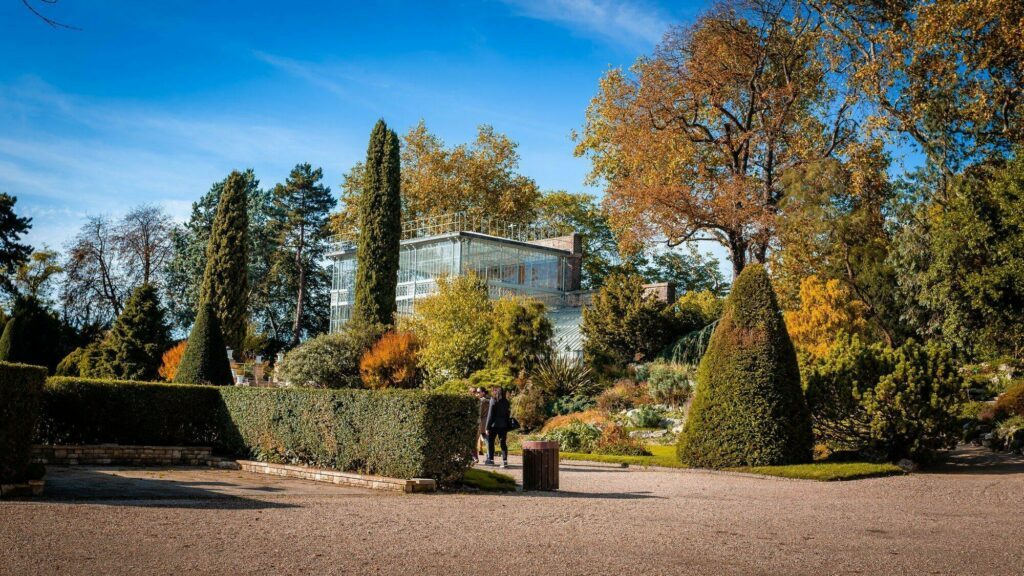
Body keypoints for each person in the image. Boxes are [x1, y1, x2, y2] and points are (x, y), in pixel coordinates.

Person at [484, 386, 512, 468]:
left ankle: (491, 460)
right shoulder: (506, 402)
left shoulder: (493, 400)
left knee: (491, 442)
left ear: (496, 392)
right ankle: (505, 461)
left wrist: (487, 427)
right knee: (503, 443)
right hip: (503, 425)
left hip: (494, 425)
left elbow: (490, 415)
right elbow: (508, 414)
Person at [474, 387, 490, 463]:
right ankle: (489, 458)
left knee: (474, 441)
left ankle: (475, 457)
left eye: (478, 392)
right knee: (488, 441)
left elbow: (479, 414)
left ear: (483, 392)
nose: (477, 393)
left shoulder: (481, 401)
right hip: (488, 423)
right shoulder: (490, 400)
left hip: (481, 423)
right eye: (476, 392)